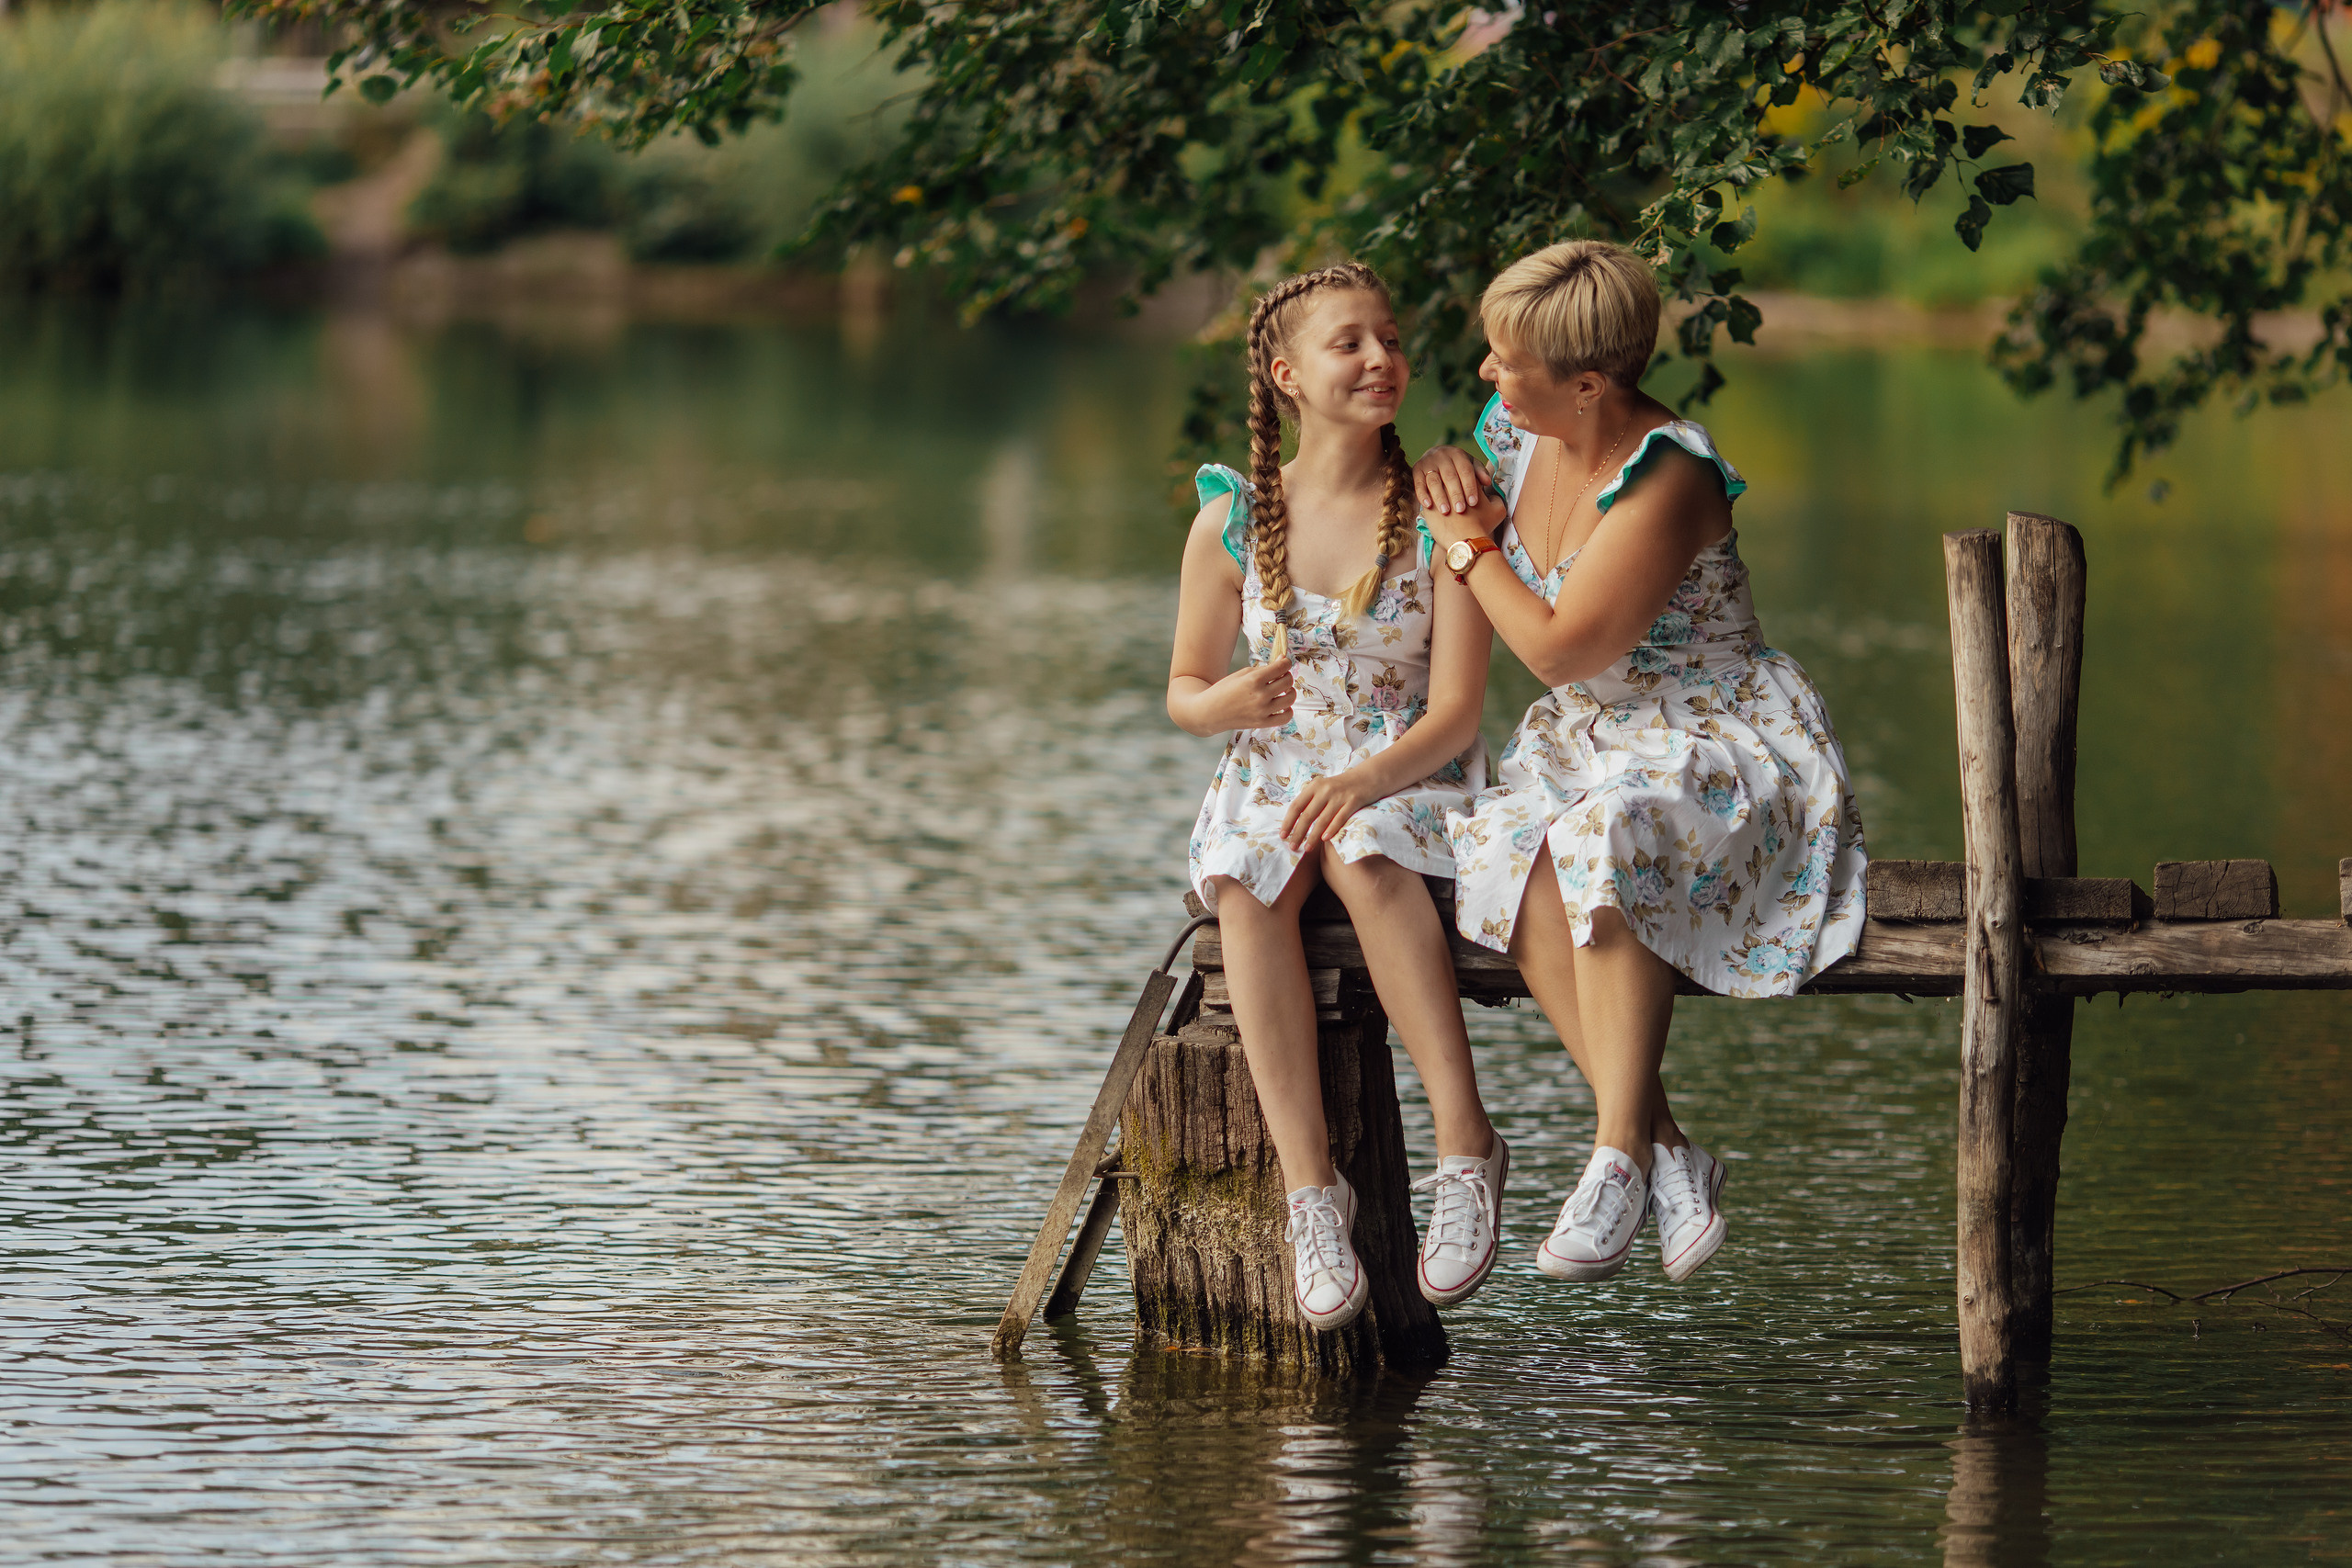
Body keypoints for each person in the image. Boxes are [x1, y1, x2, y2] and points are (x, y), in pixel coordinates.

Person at [1414, 240, 1867, 1287]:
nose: (1486, 373)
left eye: (1505, 360)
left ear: (1587, 384)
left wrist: (1467, 544)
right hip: (1590, 737)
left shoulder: (1668, 475)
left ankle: (1615, 1154)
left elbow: (1555, 649)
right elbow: (1464, 487)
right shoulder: (1514, 432)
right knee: (1504, 837)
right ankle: (1665, 1149)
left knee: (1602, 827)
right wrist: (1445, 471)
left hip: (1714, 735)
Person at [1168, 262, 1507, 1330]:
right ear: (1287, 377)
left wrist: (1362, 780)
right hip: (1275, 771)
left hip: (1407, 770)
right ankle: (1311, 1195)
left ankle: (1466, 1146)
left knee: (1360, 844)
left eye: (1390, 339)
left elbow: (1456, 710)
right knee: (1244, 881)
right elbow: (1183, 690)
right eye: (1348, 343)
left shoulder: (1442, 508)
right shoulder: (1234, 520)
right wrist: (1221, 703)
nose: (1379, 359)